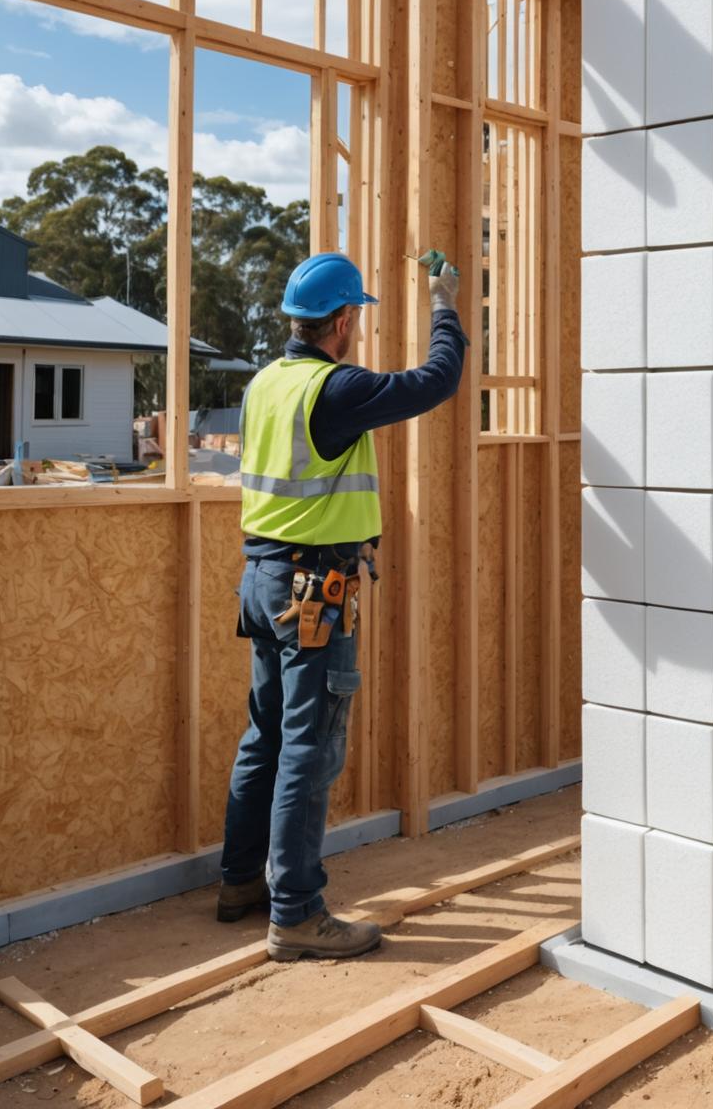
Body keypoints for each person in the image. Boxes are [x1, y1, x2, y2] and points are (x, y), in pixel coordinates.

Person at [216, 250, 465, 959]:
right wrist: (445, 305)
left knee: (265, 734)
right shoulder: (334, 388)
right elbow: (434, 381)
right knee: (309, 746)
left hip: (263, 581)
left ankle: (241, 883)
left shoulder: (266, 383)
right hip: (312, 591)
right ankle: (295, 913)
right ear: (344, 319)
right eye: (356, 316)